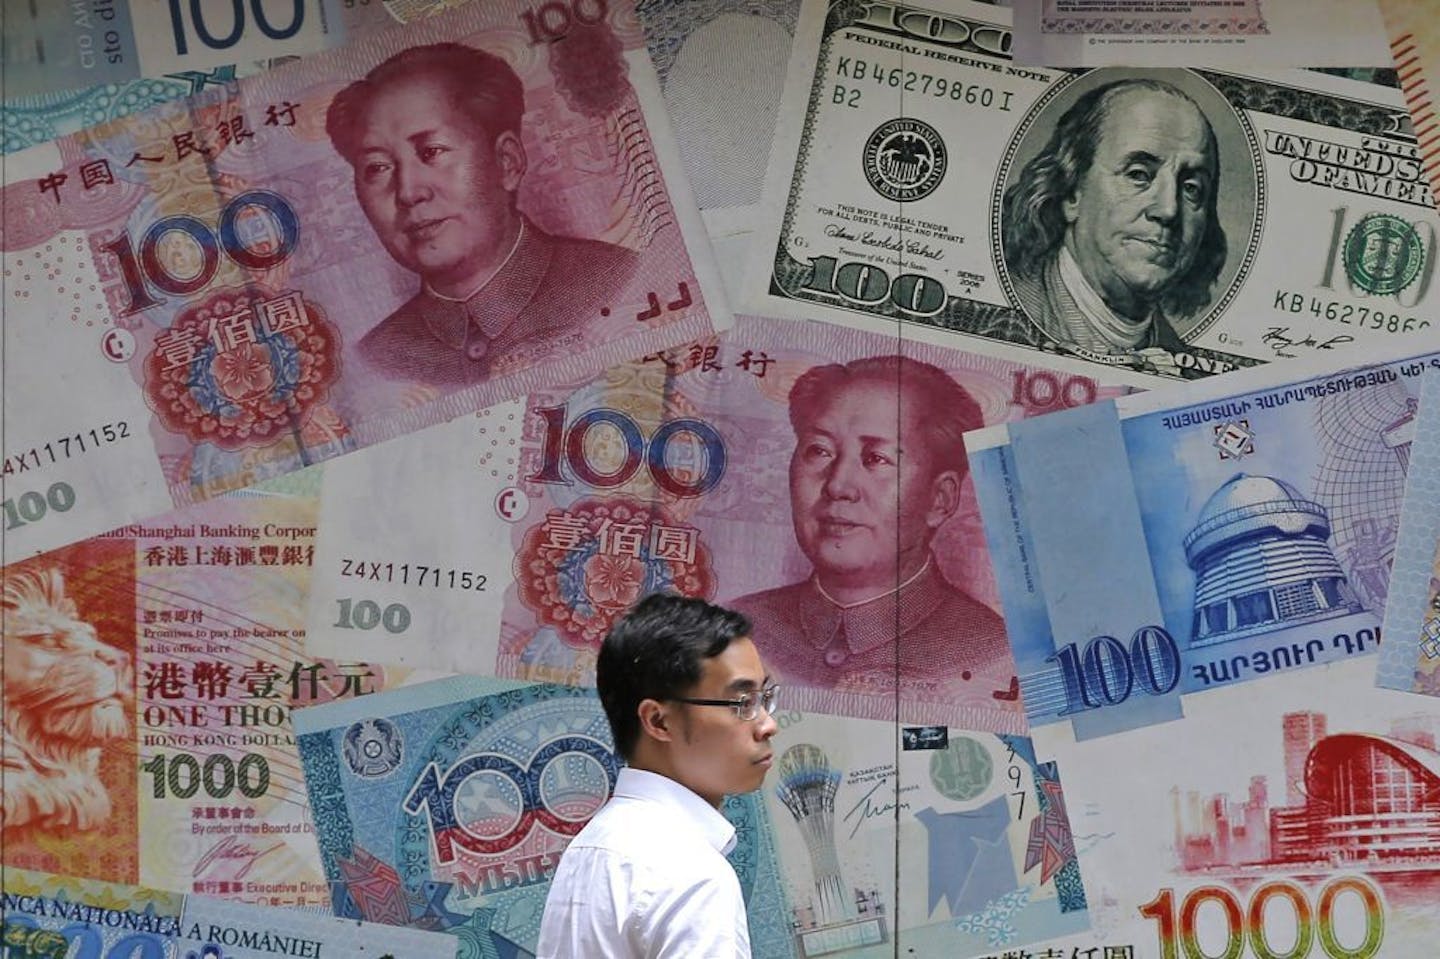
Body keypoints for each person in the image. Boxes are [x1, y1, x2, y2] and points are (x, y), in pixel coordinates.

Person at [326, 42, 639, 388]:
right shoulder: (378, 358)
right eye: (377, 168)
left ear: (507, 162)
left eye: (431, 152)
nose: (408, 192)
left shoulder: (624, 282)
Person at [730, 355, 1010, 694]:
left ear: (940, 499)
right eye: (820, 451)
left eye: (876, 459)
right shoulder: (735, 626)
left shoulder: (993, 653)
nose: (837, 485)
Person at [536, 593, 778, 958]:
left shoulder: (590, 848)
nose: (768, 725)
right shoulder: (693, 874)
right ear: (658, 721)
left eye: (765, 698)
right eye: (743, 703)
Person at [1002, 77, 1227, 372]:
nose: (1169, 209)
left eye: (1192, 188)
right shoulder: (1010, 316)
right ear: (1071, 191)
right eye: (1138, 174)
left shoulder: (1189, 370)